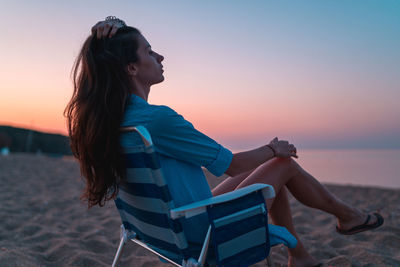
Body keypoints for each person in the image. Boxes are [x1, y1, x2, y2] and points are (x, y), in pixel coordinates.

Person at [65, 17, 384, 267]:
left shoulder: (113, 120)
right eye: (149, 51)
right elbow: (232, 166)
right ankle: (347, 217)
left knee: (268, 178)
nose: (159, 55)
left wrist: (114, 27)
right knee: (281, 164)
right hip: (202, 235)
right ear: (131, 67)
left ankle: (302, 256)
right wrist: (275, 149)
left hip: (164, 232)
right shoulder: (157, 120)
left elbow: (111, 54)